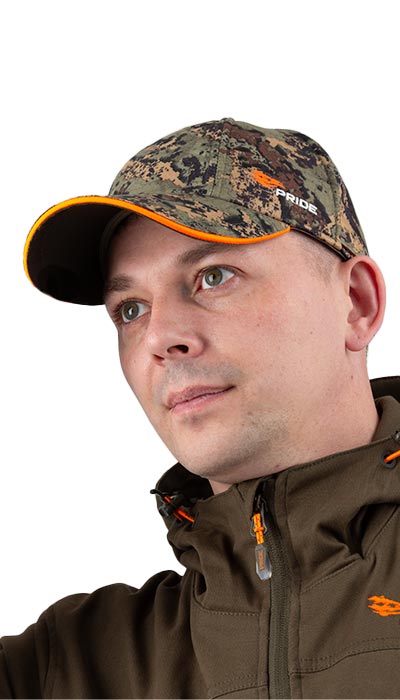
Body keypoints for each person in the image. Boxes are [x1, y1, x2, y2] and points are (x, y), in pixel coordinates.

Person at [2, 117, 400, 699]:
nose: (159, 337)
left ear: (356, 303)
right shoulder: (68, 668)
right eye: (131, 309)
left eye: (213, 276)